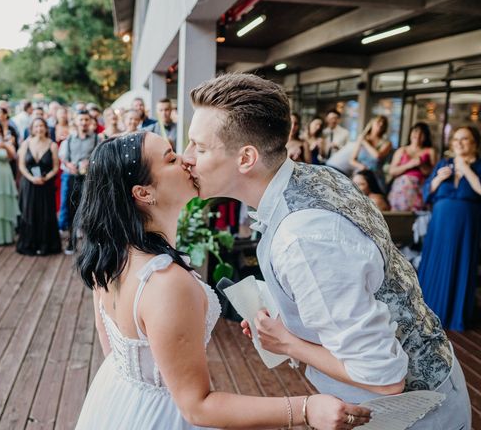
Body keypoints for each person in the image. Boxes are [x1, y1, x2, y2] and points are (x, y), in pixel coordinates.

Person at [183, 73, 470, 428]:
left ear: (246, 158)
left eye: (199, 147)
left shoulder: (303, 237)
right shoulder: (314, 176)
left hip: (413, 414)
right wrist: (286, 317)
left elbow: (383, 375)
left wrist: (287, 343)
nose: (187, 158)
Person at [74, 131, 370, 430]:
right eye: (172, 158)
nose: (187, 160)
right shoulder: (165, 282)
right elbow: (197, 407)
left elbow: (113, 350)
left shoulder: (109, 258)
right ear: (143, 193)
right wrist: (306, 408)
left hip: (120, 399)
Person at [419, 126, 481, 331]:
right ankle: (428, 313)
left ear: (475, 143)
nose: (459, 143)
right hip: (440, 226)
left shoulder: (479, 166)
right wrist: (437, 179)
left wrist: (466, 169)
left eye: (465, 139)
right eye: (456, 139)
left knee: (460, 264)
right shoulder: (443, 164)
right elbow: (426, 192)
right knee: (435, 263)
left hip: (465, 227)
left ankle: (454, 316)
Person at [16, 118, 62, 255]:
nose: (39, 129)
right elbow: (21, 166)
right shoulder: (26, 143)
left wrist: (45, 178)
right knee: (29, 212)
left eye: (41, 126)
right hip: (29, 184)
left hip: (45, 184)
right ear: (32, 128)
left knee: (46, 213)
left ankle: (45, 245)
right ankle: (29, 244)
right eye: (36, 126)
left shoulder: (52, 145)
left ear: (46, 128)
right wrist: (31, 178)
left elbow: (55, 167)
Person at [62, 110, 99, 254]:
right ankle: (71, 242)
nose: (83, 122)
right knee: (72, 209)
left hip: (90, 179)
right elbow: (64, 159)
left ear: (90, 122)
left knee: (90, 209)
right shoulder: (70, 139)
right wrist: (68, 165)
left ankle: (91, 243)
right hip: (73, 178)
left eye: (86, 120)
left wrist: (91, 163)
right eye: (81, 120)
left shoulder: (96, 138)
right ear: (76, 122)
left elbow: (101, 158)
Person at [388, 123, 436, 211]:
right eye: (415, 131)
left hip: (419, 189)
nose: (418, 135)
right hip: (400, 190)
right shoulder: (402, 150)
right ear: (410, 133)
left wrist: (421, 164)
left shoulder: (430, 151)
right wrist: (409, 165)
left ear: (426, 136)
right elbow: (392, 171)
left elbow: (434, 173)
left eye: (422, 133)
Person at [350, 116, 392, 192]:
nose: (381, 124)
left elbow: (377, 156)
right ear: (372, 123)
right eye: (378, 121)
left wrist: (365, 142)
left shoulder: (387, 143)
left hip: (376, 178)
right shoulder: (362, 139)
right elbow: (351, 160)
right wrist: (361, 166)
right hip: (360, 175)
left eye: (384, 123)